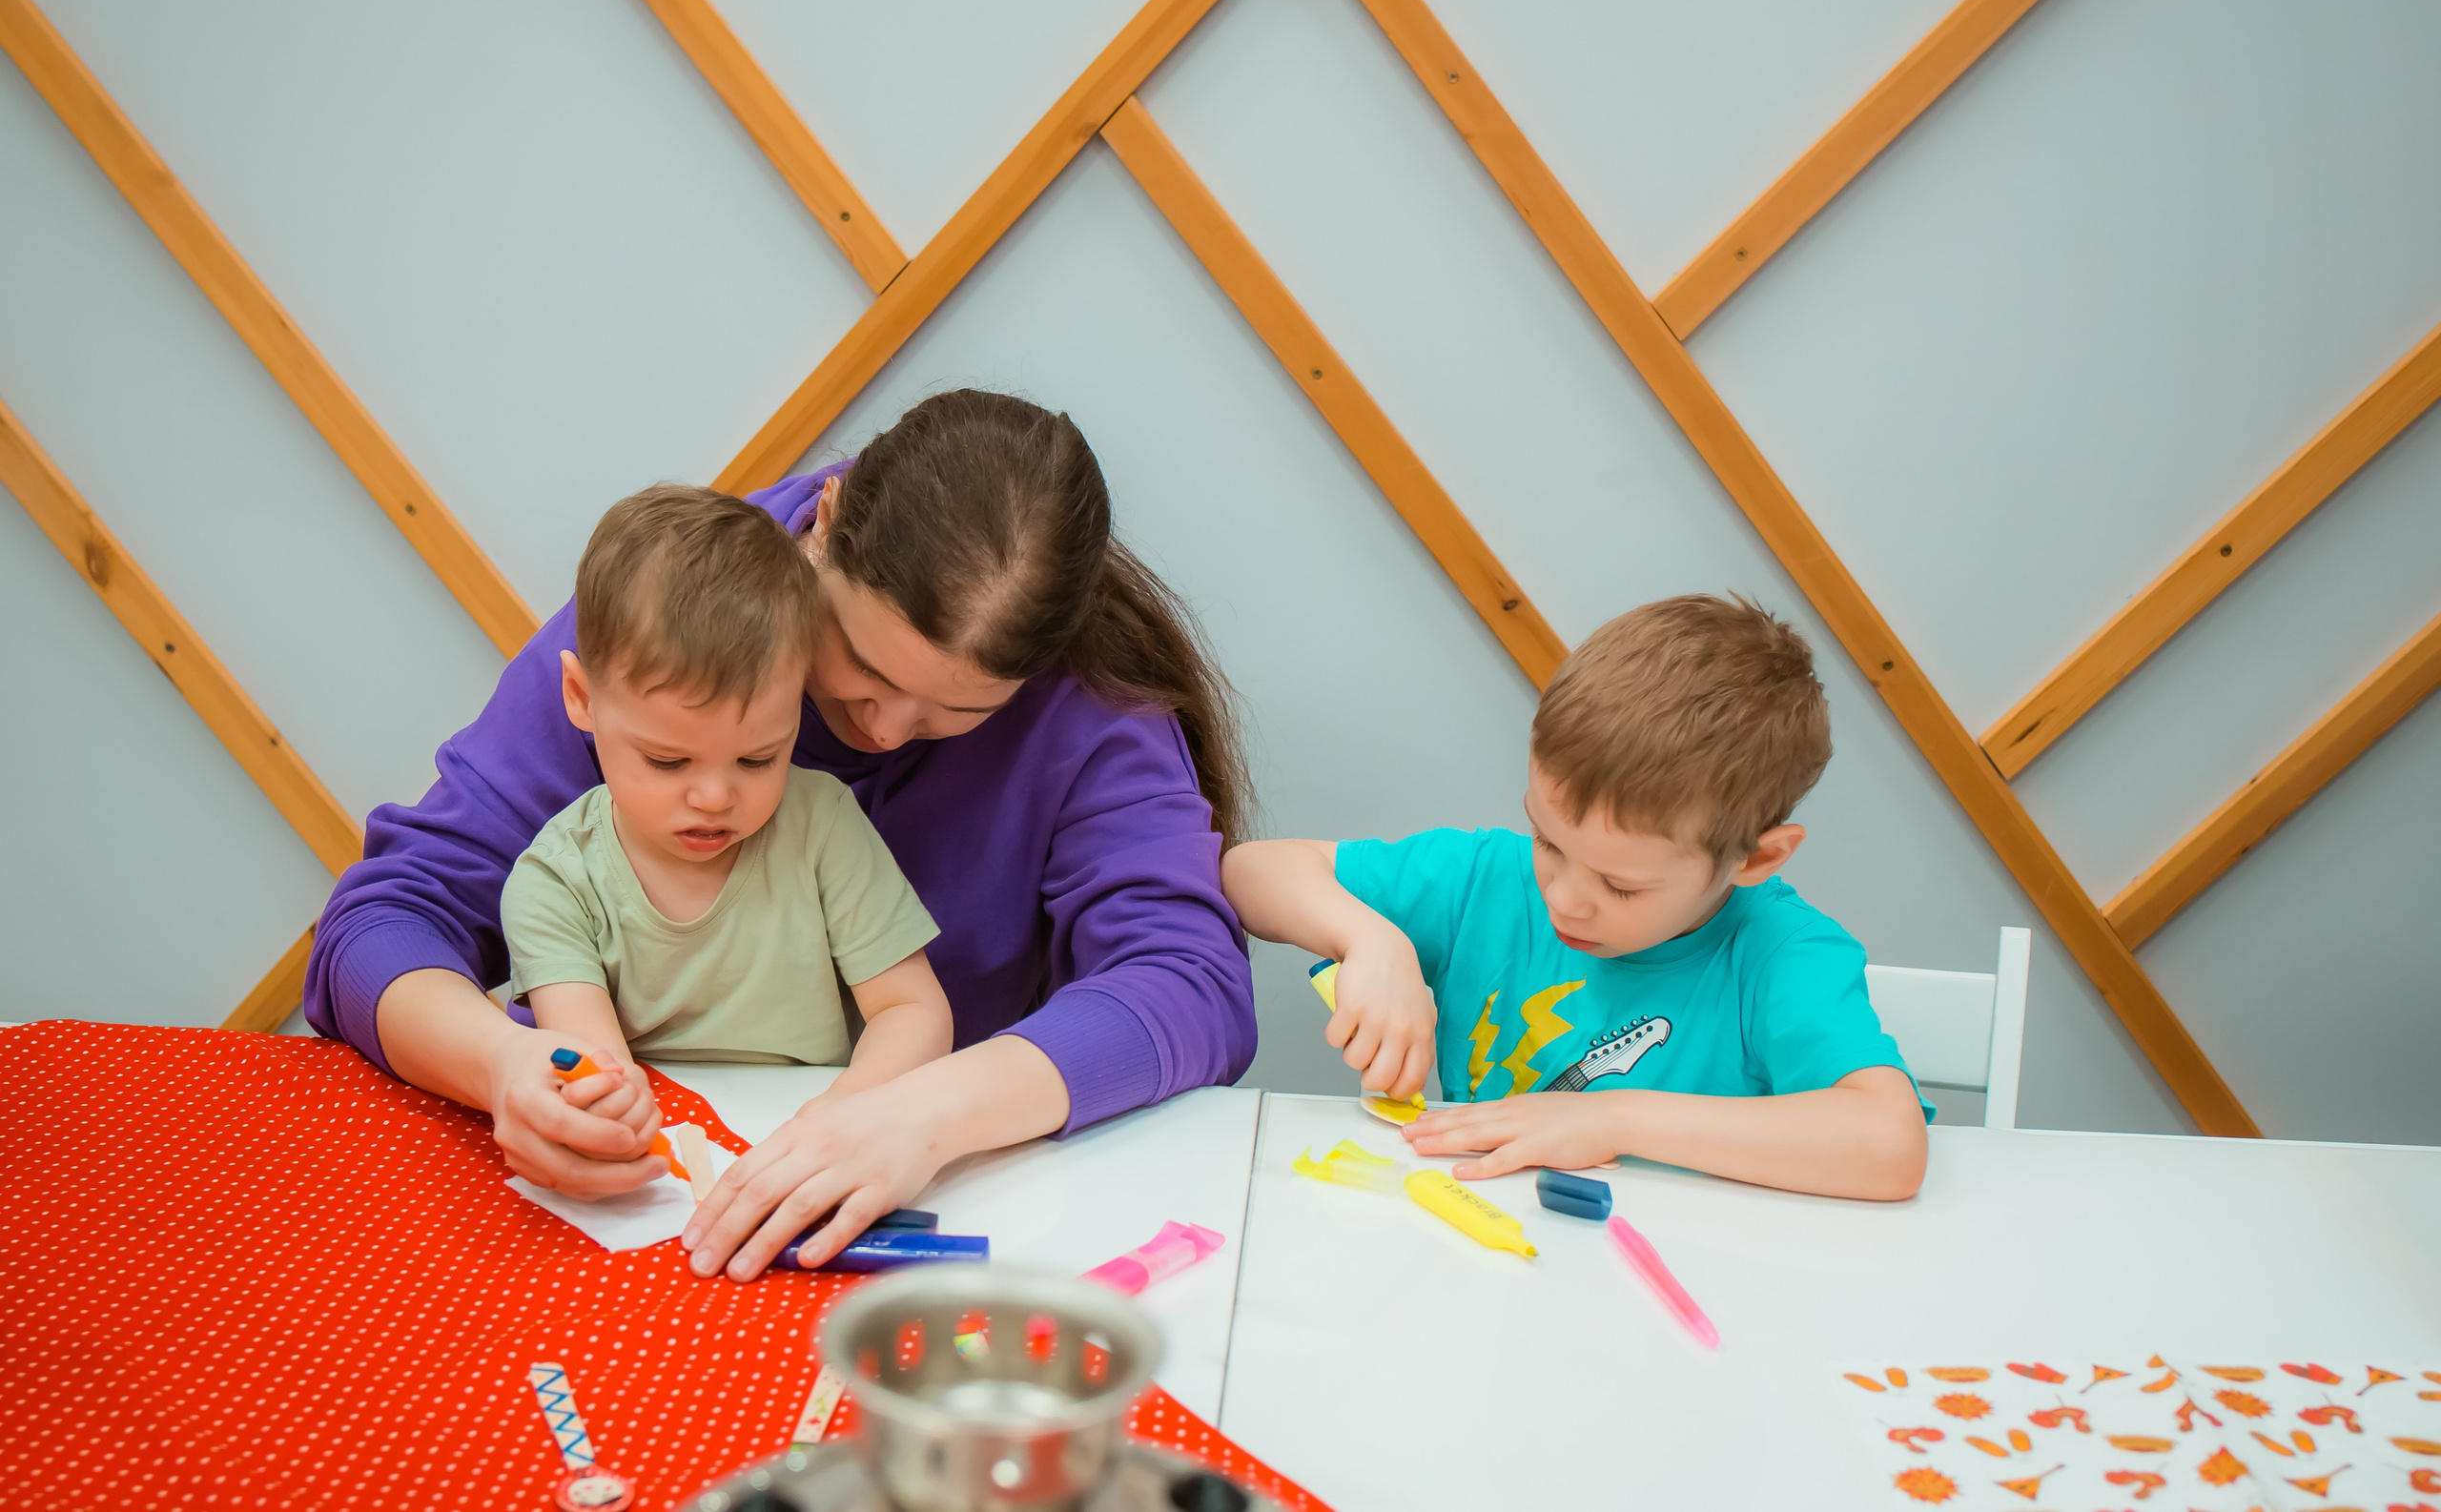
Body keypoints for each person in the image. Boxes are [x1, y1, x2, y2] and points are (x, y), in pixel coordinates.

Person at [306, 391, 1257, 1277]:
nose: (881, 731)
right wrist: (503, 1066)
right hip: (629, 1198)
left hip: (915, 1204)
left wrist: (921, 1117)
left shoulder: (1091, 708)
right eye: (859, 666)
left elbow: (1188, 985)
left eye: (951, 712)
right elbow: (389, 916)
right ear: (826, 530)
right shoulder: (685, 605)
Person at [1220, 594, 1930, 1202]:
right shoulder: (1486, 880)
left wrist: (1613, 1118)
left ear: (1758, 856)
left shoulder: (1782, 952)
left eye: (1622, 884)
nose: (1564, 897)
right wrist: (1373, 941)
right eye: (1549, 840)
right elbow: (1250, 871)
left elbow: (1891, 1145)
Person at [504, 484, 951, 1103]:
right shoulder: (557, 883)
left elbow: (912, 1009)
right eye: (667, 760)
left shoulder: (822, 825)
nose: (715, 797)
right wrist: (609, 1112)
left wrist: (846, 1115)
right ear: (581, 698)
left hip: (821, 1139)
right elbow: (596, 1070)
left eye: (757, 757)